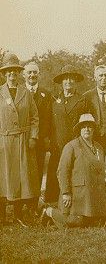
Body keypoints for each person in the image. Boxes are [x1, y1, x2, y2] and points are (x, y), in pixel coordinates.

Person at [40, 114, 106, 228]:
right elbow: (62, 171)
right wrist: (66, 193)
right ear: (79, 129)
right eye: (83, 126)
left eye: (90, 126)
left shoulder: (99, 147)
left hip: (93, 195)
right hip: (77, 194)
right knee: (74, 221)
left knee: (95, 222)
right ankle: (48, 211)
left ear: (94, 129)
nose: (87, 129)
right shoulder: (71, 146)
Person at [0, 54, 40, 226]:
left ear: (19, 73)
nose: (12, 75)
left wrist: (33, 136)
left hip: (24, 141)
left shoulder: (26, 92)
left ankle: (18, 213)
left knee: (22, 179)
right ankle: (2, 216)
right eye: (9, 71)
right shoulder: (0, 92)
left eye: (15, 71)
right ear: (5, 74)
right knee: (5, 178)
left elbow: (34, 117)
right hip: (5, 142)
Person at [45, 65, 84, 203]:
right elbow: (48, 123)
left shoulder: (82, 101)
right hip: (57, 145)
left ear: (75, 81)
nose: (68, 82)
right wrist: (48, 141)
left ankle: (74, 204)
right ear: (62, 82)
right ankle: (51, 205)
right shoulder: (55, 100)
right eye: (65, 79)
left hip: (75, 145)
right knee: (55, 173)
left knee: (74, 173)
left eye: (71, 79)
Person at [23, 62, 51, 198]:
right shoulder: (19, 92)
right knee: (24, 169)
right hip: (23, 138)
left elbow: (48, 118)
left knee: (39, 169)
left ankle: (35, 203)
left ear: (39, 74)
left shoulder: (46, 94)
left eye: (35, 72)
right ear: (24, 75)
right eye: (29, 72)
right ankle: (23, 202)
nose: (32, 75)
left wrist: (45, 137)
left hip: (40, 139)